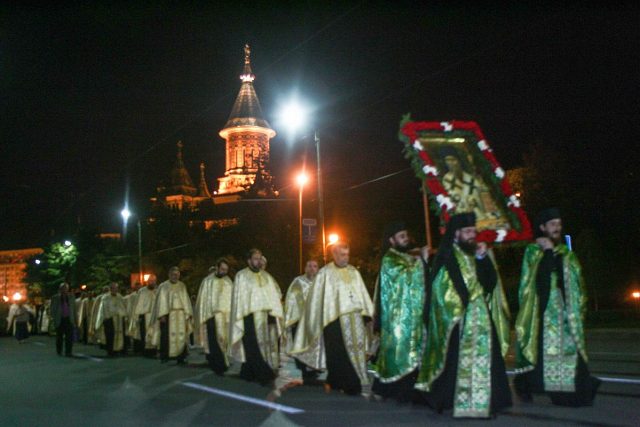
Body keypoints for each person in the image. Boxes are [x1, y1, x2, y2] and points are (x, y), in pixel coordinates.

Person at [415, 212, 512, 418]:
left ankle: (488, 400)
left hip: (481, 317)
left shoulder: (475, 253)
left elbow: (489, 283)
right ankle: (451, 399)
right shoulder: (446, 255)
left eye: (473, 232)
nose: (471, 235)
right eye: (467, 232)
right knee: (452, 363)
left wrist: (483, 259)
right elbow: (440, 289)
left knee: (488, 360)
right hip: (457, 320)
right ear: (457, 233)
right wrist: (460, 306)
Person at [514, 208, 600, 406]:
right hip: (542, 314)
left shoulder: (566, 253)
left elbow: (575, 282)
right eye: (552, 224)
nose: (557, 228)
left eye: (559, 224)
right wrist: (547, 253)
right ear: (542, 227)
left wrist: (576, 306)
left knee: (571, 351)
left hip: (565, 313)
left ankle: (572, 387)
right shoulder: (532, 251)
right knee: (540, 354)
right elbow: (537, 283)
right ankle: (527, 385)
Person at [291, 242, 374, 396]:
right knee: (337, 353)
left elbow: (362, 294)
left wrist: (367, 314)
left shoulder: (354, 272)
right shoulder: (325, 273)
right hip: (333, 322)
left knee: (356, 351)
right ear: (334, 255)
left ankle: (353, 382)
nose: (346, 258)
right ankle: (338, 381)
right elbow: (316, 300)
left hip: (354, 320)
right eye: (342, 255)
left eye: (347, 254)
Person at [371, 222, 428, 402]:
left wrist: (421, 261)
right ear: (392, 240)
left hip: (412, 316)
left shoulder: (405, 257)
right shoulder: (390, 259)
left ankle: (405, 389)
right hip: (397, 319)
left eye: (406, 235)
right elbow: (405, 279)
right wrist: (422, 262)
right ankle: (396, 390)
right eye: (401, 236)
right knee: (398, 353)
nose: (406, 239)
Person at [228, 249, 283, 386]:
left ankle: (247, 372)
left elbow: (273, 296)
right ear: (249, 261)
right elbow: (238, 298)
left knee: (260, 345)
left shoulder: (266, 276)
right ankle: (264, 374)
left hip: (263, 317)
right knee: (253, 345)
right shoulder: (241, 276)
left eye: (260, 258)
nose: (259, 261)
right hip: (248, 315)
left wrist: (273, 312)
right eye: (256, 258)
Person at [195, 258, 234, 375]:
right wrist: (206, 316)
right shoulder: (207, 281)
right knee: (214, 341)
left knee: (224, 340)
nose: (224, 272)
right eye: (222, 269)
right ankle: (218, 364)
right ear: (217, 268)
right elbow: (203, 301)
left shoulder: (229, 282)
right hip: (212, 316)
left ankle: (222, 361)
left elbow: (232, 300)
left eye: (226, 270)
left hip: (225, 317)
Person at [284, 259, 320, 384]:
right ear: (305, 268)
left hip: (316, 322)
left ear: (318, 269)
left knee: (315, 347)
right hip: (300, 322)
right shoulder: (298, 282)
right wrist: (292, 318)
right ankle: (305, 370)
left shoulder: (320, 283)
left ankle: (313, 370)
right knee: (301, 347)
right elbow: (290, 299)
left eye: (314, 266)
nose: (312, 268)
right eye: (309, 266)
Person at [150, 266, 193, 365]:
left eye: (177, 275)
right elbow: (161, 302)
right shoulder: (163, 286)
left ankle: (181, 357)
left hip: (181, 315)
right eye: (173, 274)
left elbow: (186, 300)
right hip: (168, 315)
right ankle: (165, 356)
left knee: (182, 336)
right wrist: (162, 315)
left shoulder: (182, 285)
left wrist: (188, 313)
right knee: (166, 336)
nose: (175, 276)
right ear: (169, 275)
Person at [94, 282, 127, 357]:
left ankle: (118, 349)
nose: (115, 290)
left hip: (119, 319)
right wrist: (112, 313)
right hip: (109, 319)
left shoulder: (120, 297)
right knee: (110, 336)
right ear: (110, 289)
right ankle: (110, 351)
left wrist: (122, 313)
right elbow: (104, 309)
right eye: (113, 288)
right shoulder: (105, 297)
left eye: (116, 288)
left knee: (119, 334)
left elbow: (123, 307)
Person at [129, 274, 158, 357]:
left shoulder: (158, 291)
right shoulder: (142, 291)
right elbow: (138, 305)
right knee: (144, 333)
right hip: (144, 316)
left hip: (155, 317)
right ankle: (145, 351)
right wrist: (138, 316)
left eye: (153, 281)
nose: (152, 283)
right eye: (150, 281)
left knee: (154, 333)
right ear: (147, 282)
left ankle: (153, 350)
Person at [50, 282, 77, 357]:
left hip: (69, 319)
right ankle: (59, 351)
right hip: (60, 319)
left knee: (69, 337)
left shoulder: (71, 297)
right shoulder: (55, 298)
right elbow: (52, 309)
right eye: (63, 288)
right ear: (60, 289)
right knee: (59, 337)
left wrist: (75, 319)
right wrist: (53, 318)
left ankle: (68, 352)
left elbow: (74, 309)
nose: (64, 290)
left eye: (65, 288)